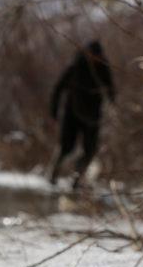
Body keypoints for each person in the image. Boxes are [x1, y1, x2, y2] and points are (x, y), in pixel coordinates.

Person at [49, 40, 115, 189]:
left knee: (90, 150)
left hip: (93, 117)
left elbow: (110, 88)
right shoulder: (76, 66)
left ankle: (77, 179)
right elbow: (58, 88)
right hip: (72, 113)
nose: (94, 58)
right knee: (67, 147)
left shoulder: (103, 67)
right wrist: (53, 111)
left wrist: (112, 103)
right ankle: (54, 174)